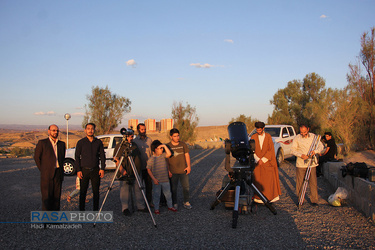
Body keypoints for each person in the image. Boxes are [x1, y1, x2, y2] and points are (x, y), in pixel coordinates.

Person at [113, 130, 146, 216]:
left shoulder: (134, 145)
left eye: (132, 136)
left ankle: (140, 206)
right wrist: (121, 170)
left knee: (139, 189)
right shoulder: (120, 146)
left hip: (135, 171)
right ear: (126, 137)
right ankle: (125, 208)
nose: (132, 138)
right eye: (131, 136)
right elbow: (116, 159)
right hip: (125, 172)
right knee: (125, 191)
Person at [34, 124, 66, 211]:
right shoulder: (42, 143)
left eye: (57, 130)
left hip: (58, 174)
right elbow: (37, 158)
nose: (55, 132)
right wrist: (44, 170)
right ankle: (46, 222)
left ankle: (55, 221)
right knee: (47, 199)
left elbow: (62, 158)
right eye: (53, 130)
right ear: (49, 131)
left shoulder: (62, 144)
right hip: (47, 175)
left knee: (57, 198)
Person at [75, 123, 106, 211]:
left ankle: (95, 211)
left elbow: (102, 156)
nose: (90, 130)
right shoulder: (81, 142)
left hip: (95, 170)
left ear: (94, 130)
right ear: (85, 130)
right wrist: (78, 170)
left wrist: (102, 168)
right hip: (84, 170)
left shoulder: (98, 142)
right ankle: (81, 211)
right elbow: (77, 156)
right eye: (88, 128)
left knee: (96, 192)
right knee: (83, 192)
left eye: (92, 128)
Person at [291, 124, 324, 206]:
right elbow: (292, 150)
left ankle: (314, 200)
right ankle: (300, 199)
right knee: (300, 182)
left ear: (308, 129)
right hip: (301, 163)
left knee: (313, 182)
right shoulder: (297, 138)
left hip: (312, 163)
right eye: (301, 132)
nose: (303, 134)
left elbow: (321, 146)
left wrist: (315, 151)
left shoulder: (314, 137)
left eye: (305, 132)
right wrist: (301, 155)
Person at [251, 121, 281, 203]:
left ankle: (270, 197)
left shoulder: (268, 137)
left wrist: (263, 159)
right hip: (257, 163)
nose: (258, 131)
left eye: (260, 130)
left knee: (268, 180)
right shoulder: (253, 137)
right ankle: (258, 198)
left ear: (263, 129)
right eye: (257, 130)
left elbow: (270, 150)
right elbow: (252, 150)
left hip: (267, 162)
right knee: (258, 180)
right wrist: (257, 159)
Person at [147, 140, 177, 214]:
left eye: (162, 148)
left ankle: (170, 206)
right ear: (156, 149)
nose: (162, 149)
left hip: (165, 180)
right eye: (160, 148)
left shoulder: (163, 155)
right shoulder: (151, 159)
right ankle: (156, 208)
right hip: (157, 181)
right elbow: (149, 170)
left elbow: (169, 154)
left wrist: (164, 145)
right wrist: (153, 179)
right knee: (156, 195)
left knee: (168, 194)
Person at [167, 128, 192, 209]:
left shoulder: (183, 144)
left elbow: (187, 155)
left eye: (178, 136)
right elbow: (166, 159)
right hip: (173, 172)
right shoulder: (168, 146)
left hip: (183, 170)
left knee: (186, 187)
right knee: (173, 188)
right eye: (175, 136)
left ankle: (186, 202)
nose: (177, 138)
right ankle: (175, 203)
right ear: (171, 137)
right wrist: (168, 170)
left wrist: (188, 166)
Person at [133, 123, 153, 205]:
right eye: (142, 129)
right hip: (139, 167)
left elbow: (151, 153)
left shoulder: (149, 140)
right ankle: (140, 204)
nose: (143, 131)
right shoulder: (134, 141)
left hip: (148, 167)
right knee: (139, 187)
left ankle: (149, 202)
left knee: (149, 186)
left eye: (144, 129)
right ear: (138, 130)